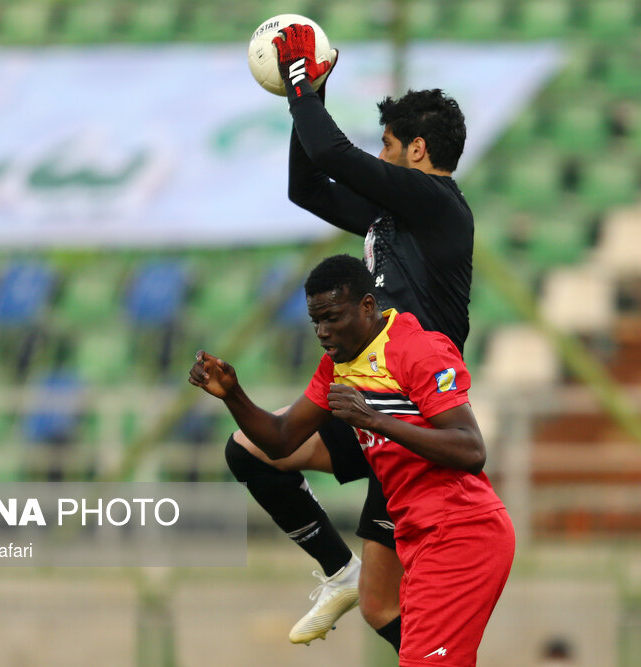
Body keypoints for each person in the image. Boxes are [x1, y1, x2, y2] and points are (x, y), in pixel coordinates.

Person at [224, 23, 474, 649]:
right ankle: (337, 569)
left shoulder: (436, 204)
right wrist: (302, 101)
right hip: (369, 402)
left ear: (418, 150)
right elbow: (305, 185)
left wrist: (305, 83)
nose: (380, 159)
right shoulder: (393, 216)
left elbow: (334, 156)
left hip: (413, 415)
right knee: (251, 450)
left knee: (385, 605)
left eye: (388, 146)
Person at [190, 255, 512, 667]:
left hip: (461, 533)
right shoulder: (338, 365)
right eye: (315, 322)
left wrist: (372, 419)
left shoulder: (418, 349)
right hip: (418, 534)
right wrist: (233, 394)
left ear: (366, 305)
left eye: (332, 318)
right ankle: (339, 572)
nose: (323, 333)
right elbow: (281, 440)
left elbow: (471, 449)